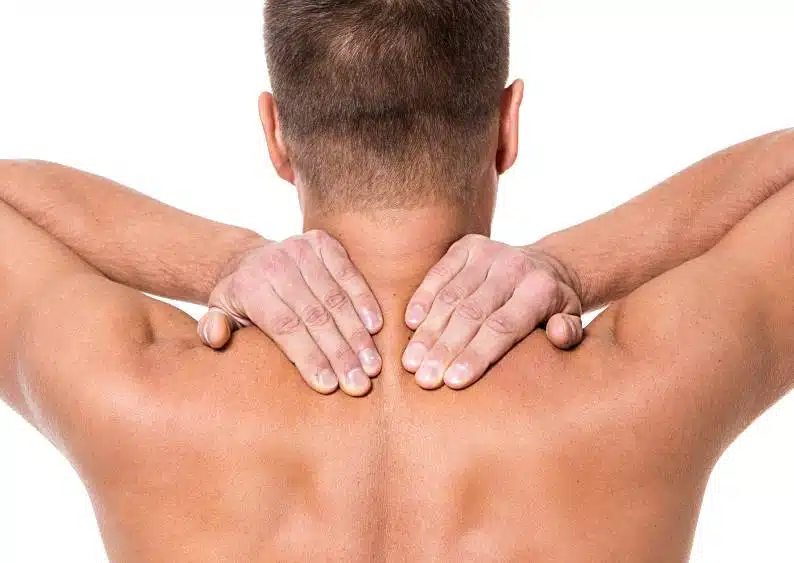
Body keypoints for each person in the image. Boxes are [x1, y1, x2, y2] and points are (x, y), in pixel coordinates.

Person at [1, 1, 794, 560]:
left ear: (276, 134)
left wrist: (223, 258)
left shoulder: (140, 391)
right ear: (508, 125)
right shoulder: (642, 385)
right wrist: (570, 264)